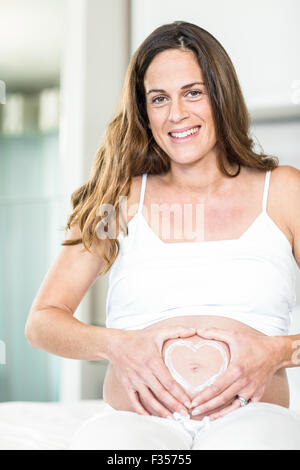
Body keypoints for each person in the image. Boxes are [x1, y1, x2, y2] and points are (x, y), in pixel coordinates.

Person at [25, 21, 300, 450]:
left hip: (253, 418)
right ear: (144, 111)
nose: (176, 114)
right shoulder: (117, 198)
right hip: (137, 424)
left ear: (220, 94)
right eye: (159, 99)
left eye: (193, 92)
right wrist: (117, 346)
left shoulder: (283, 191)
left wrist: (276, 352)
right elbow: (42, 321)